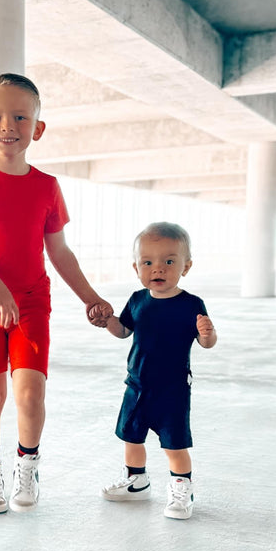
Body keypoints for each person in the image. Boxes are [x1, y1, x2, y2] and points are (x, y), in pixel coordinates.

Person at [0, 73, 112, 515]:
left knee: (30, 393)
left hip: (33, 300)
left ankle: (27, 467)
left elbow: (60, 252)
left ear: (37, 128)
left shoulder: (46, 187)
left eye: (19, 115)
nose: (7, 125)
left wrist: (91, 298)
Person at [89, 222, 216, 519]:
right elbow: (123, 331)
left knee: (174, 442)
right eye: (148, 262)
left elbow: (205, 342)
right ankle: (136, 481)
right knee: (132, 436)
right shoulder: (137, 300)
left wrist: (208, 334)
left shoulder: (191, 304)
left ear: (186, 267)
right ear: (136, 267)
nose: (157, 269)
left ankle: (182, 488)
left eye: (169, 261)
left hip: (172, 388)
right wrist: (107, 321)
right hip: (137, 385)